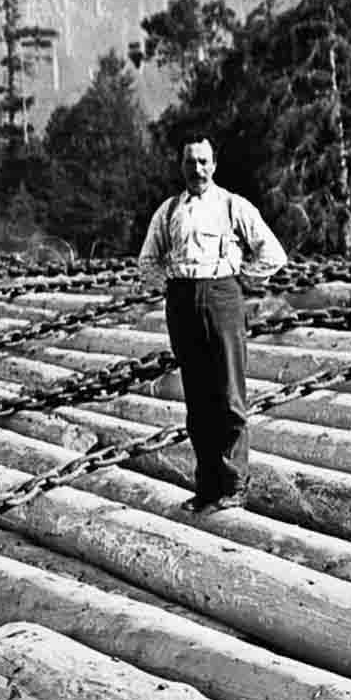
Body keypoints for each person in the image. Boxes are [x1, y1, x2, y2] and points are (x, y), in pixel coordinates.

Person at [137, 137, 286, 515]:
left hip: (223, 297)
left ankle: (235, 483)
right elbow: (147, 261)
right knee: (198, 399)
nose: (197, 169)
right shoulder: (169, 211)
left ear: (214, 165)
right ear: (181, 166)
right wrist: (170, 286)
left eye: (203, 162)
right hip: (183, 302)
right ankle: (206, 486)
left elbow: (273, 253)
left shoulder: (233, 206)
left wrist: (239, 279)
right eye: (190, 162)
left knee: (230, 395)